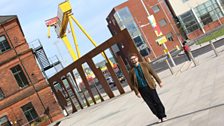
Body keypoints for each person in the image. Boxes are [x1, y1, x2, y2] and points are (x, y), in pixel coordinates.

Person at [128, 53, 167, 122]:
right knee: (150, 105)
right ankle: (159, 116)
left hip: (150, 86)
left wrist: (159, 82)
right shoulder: (131, 71)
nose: (133, 60)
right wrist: (137, 92)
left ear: (137, 58)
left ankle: (163, 115)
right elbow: (132, 84)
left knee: (157, 101)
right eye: (131, 59)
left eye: (134, 58)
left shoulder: (144, 65)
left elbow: (153, 73)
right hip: (142, 89)